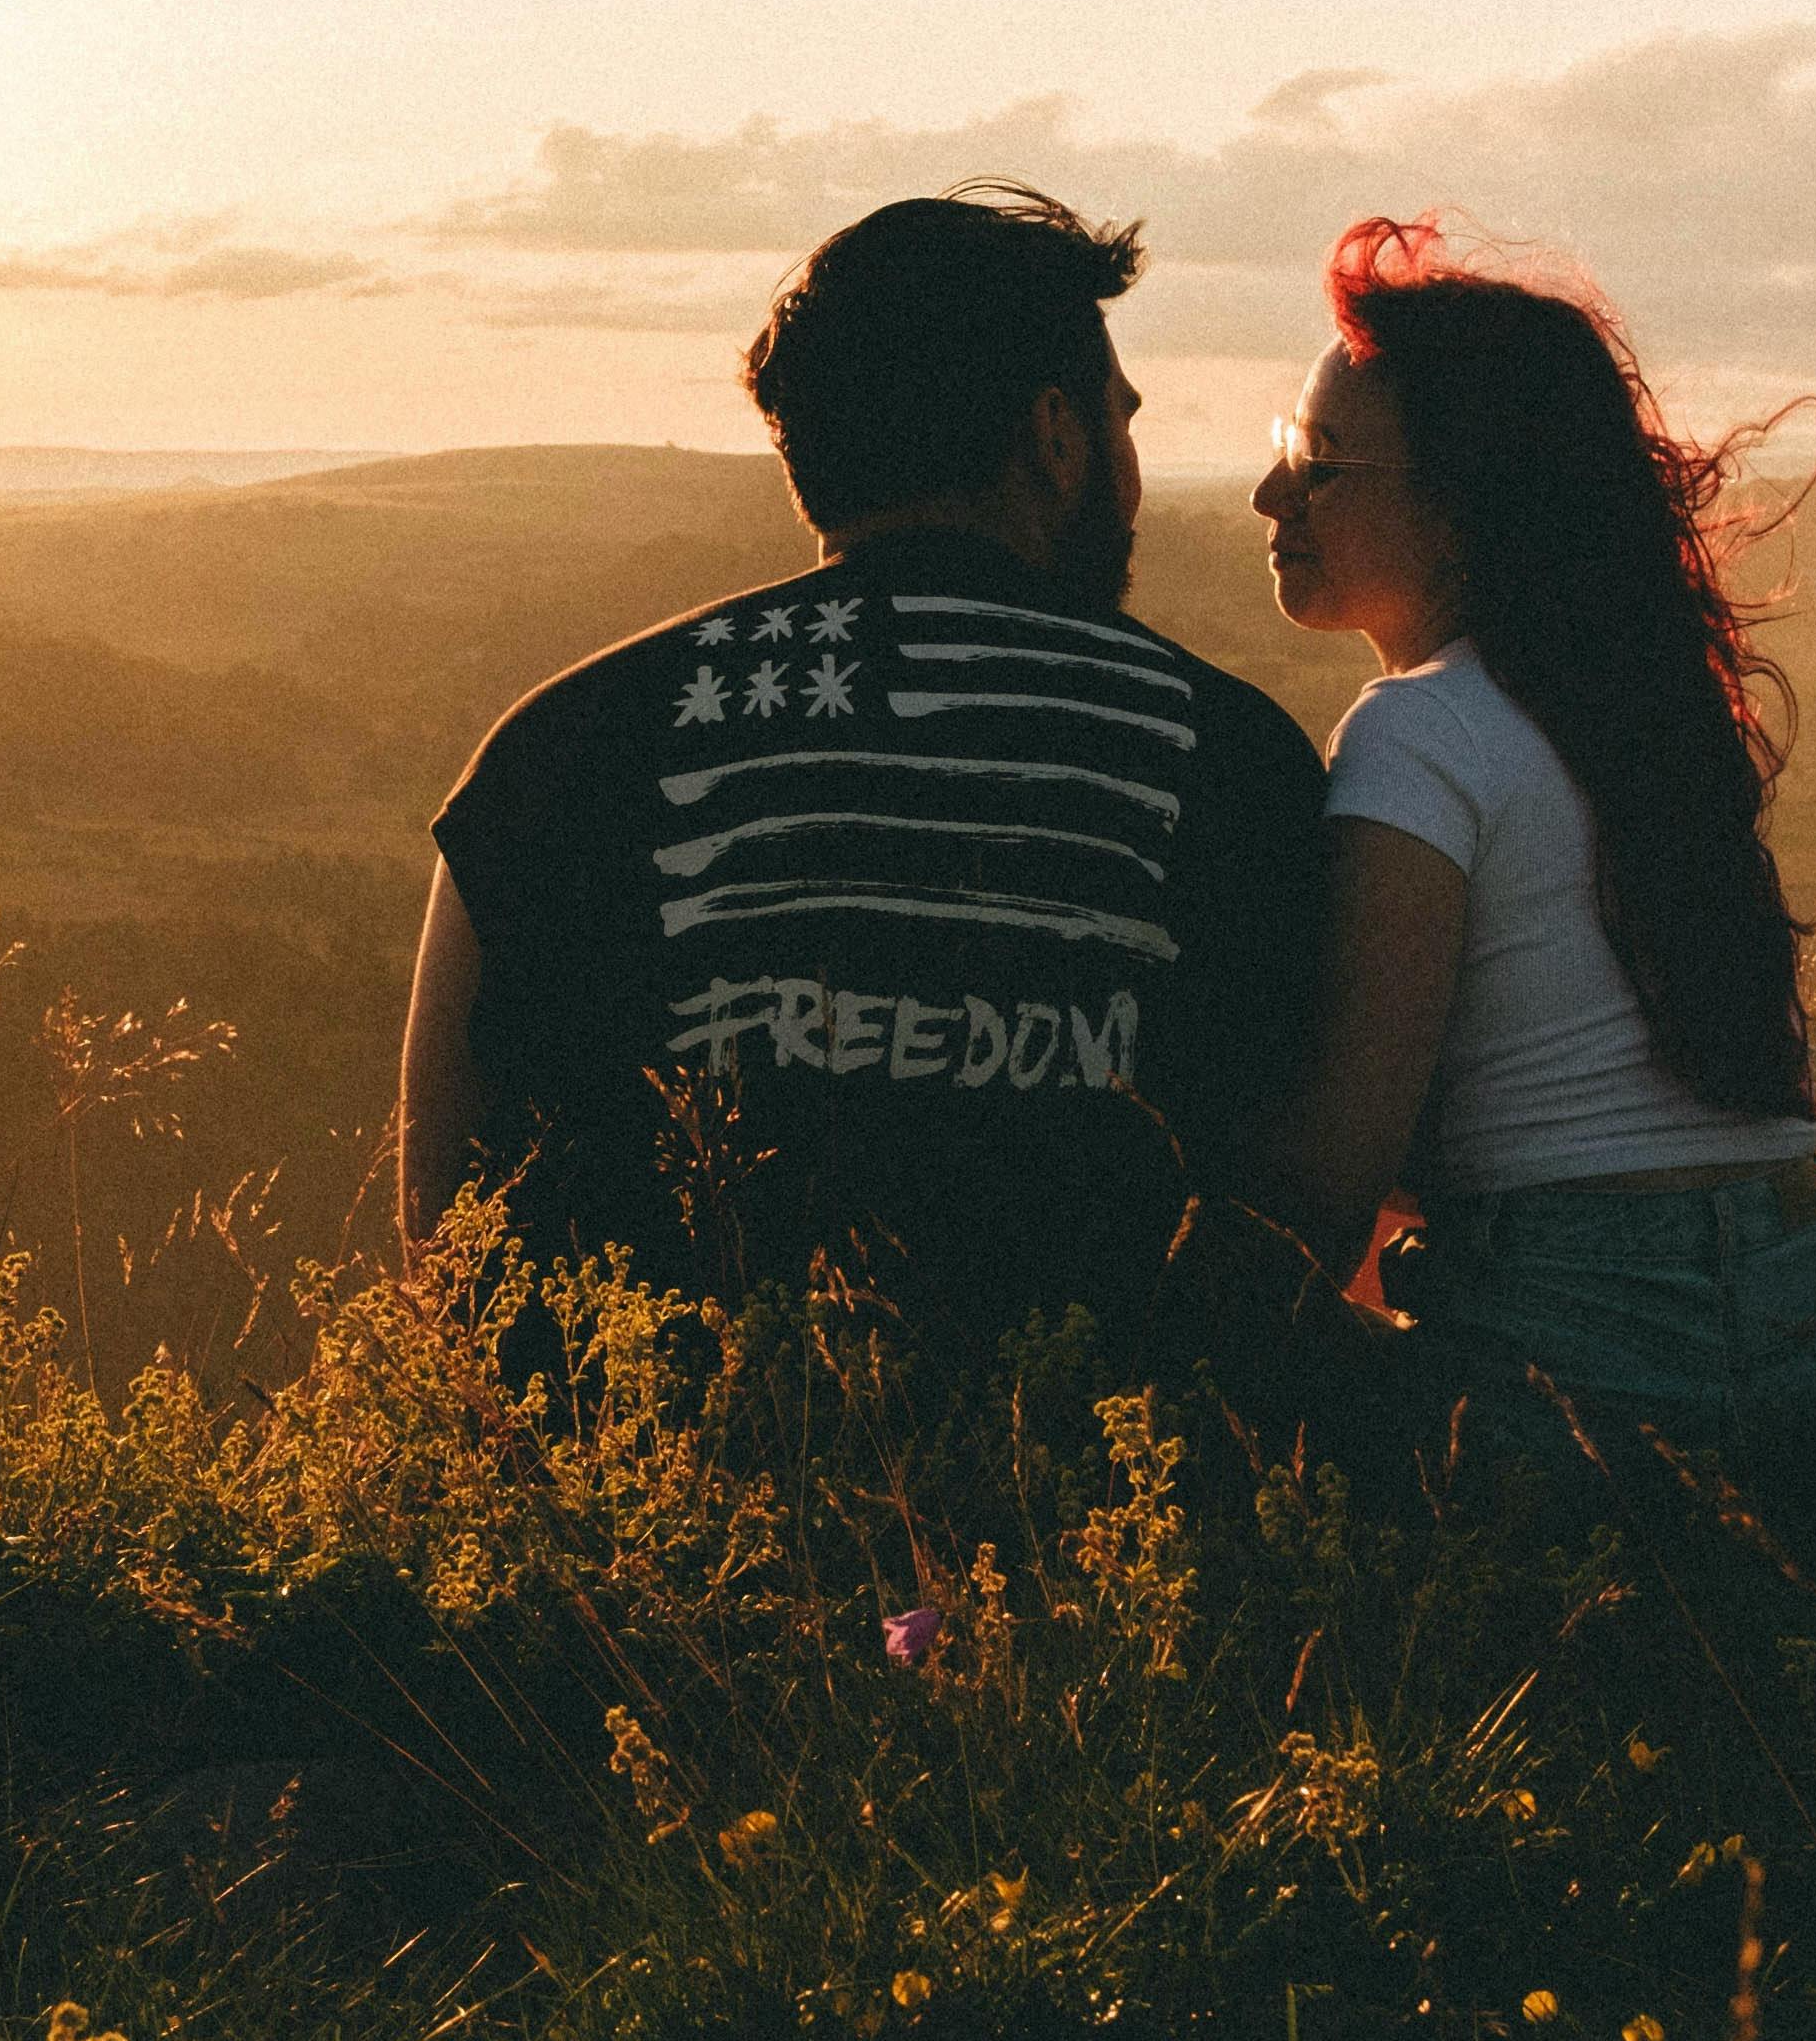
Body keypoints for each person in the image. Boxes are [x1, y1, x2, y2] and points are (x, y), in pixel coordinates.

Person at [401, 182, 1330, 1332]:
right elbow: (1296, 1219)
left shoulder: (551, 752)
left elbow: (443, 1233)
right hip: (1094, 1490)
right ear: (1054, 437)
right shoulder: (1233, 760)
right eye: (1120, 419)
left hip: (641, 1488)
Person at [1247, 215, 1816, 1471]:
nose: (1274, 493)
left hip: (1579, 1338)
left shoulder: (1417, 733)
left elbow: (1341, 1166)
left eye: (1322, 462)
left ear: (1459, 515)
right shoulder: (1640, 712)